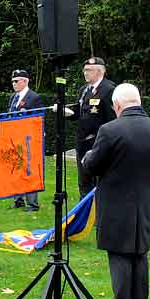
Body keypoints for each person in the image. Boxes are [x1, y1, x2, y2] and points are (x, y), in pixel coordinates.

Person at [82, 83, 150, 299]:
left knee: (119, 252)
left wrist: (87, 157)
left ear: (117, 105)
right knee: (140, 252)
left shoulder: (110, 130)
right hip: (142, 201)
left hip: (115, 202)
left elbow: (93, 165)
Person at [65, 57, 116, 199]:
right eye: (85, 70)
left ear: (100, 71)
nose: (85, 73)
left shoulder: (108, 89)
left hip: (97, 142)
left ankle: (98, 215)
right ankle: (85, 215)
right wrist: (68, 112)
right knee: (84, 180)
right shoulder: (84, 89)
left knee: (98, 181)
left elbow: (112, 119)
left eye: (89, 70)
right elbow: (80, 110)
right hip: (82, 142)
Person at [6, 69, 45, 211]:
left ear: (25, 81)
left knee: (29, 170)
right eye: (12, 81)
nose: (14, 84)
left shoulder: (33, 97)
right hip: (14, 137)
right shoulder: (13, 98)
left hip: (28, 139)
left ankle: (32, 203)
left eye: (16, 81)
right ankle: (18, 200)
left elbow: (39, 118)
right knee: (16, 168)